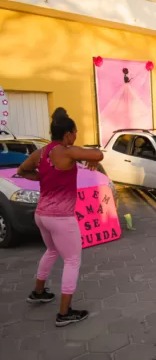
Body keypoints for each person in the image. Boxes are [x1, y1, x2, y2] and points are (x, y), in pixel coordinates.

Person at [17, 108, 104, 327]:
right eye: (74, 132)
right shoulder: (67, 151)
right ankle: (64, 313)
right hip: (61, 217)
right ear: (67, 135)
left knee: (52, 251)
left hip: (42, 214)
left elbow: (22, 170)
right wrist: (86, 156)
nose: (76, 136)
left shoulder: (42, 152)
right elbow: (98, 155)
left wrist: (43, 177)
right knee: (72, 260)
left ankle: (38, 292)